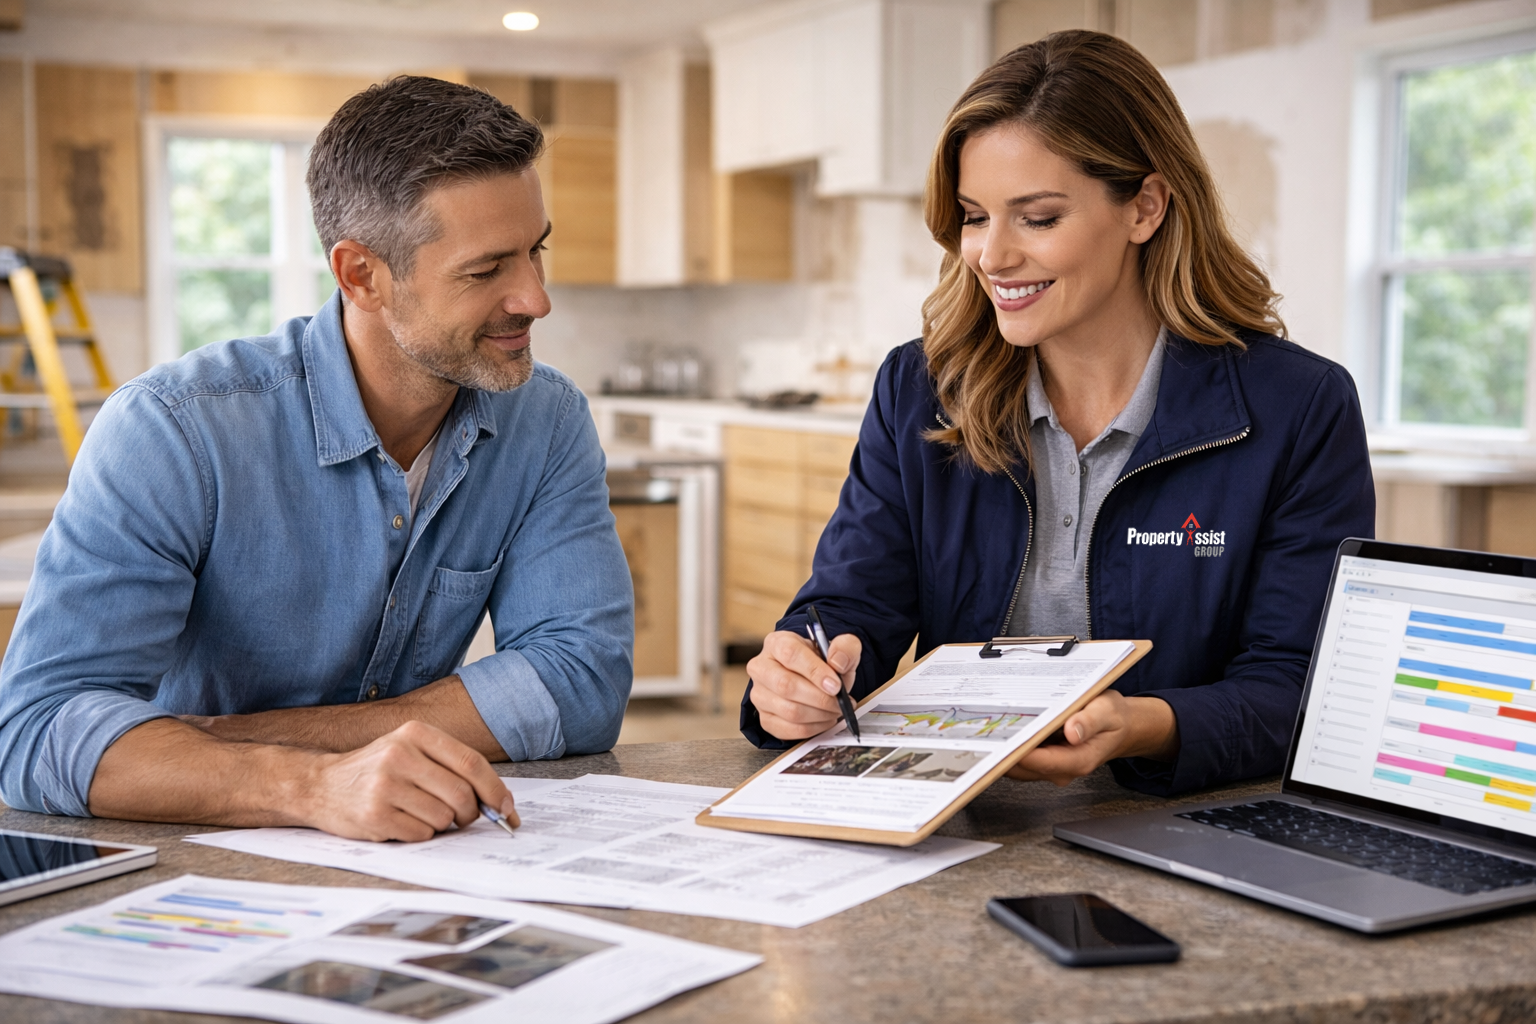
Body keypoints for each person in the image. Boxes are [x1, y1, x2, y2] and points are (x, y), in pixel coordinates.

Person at [742, 31, 1375, 796]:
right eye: (975, 217)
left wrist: (1141, 725)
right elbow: (850, 607)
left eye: (1037, 218)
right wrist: (796, 677)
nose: (992, 257)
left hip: (1176, 828)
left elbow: (1297, 687)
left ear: (1145, 206)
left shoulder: (1298, 408)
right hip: (961, 823)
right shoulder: (920, 387)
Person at [0, 77, 634, 840]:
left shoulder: (547, 418)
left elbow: (581, 681)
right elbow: (37, 732)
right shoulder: (172, 430)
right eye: (487, 269)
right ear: (360, 274)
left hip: (419, 852)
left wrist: (213, 742)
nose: (536, 297)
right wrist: (309, 784)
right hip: (194, 864)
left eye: (537, 250)